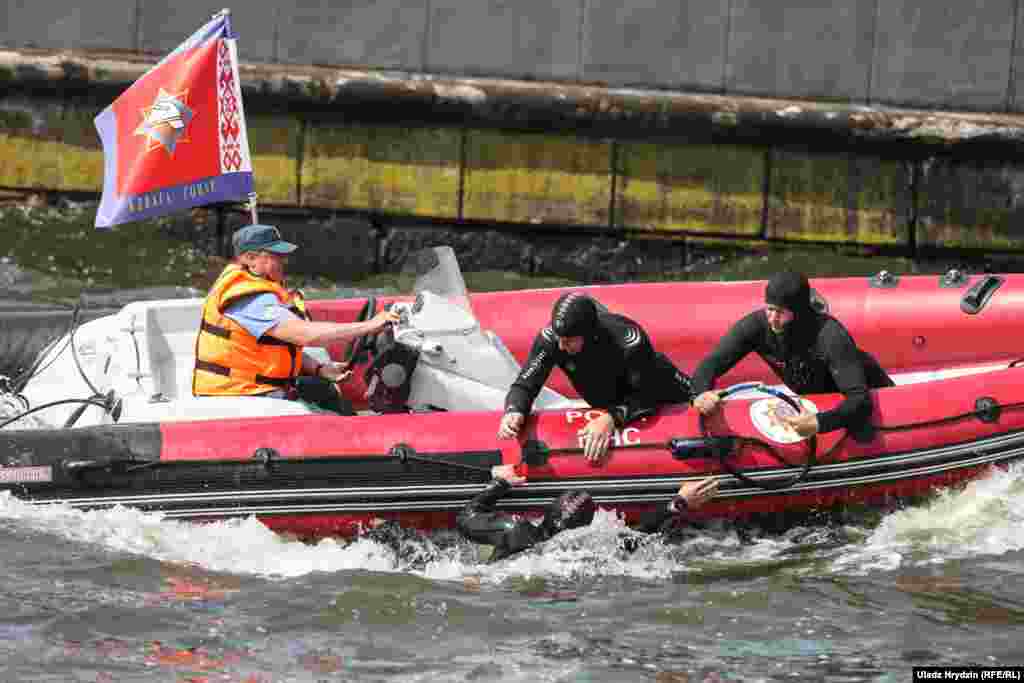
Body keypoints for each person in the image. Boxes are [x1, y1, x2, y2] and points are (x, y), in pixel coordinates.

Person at [192, 223, 399, 407]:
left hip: (259, 387)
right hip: (241, 395)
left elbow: (277, 347)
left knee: (324, 392)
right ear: (250, 258)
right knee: (324, 414)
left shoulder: (261, 287)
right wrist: (369, 326)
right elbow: (305, 335)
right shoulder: (250, 300)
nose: (284, 260)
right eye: (275, 255)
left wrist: (319, 369)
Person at [690, 270, 894, 438]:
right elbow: (713, 361)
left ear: (799, 312)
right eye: (769, 309)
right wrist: (700, 392)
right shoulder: (757, 326)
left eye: (780, 312)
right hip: (817, 399)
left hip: (876, 396)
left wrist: (819, 423)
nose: (772, 319)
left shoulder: (829, 335)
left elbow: (860, 399)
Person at [499, 292, 693, 464]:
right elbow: (525, 384)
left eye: (567, 341)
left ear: (588, 333)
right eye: (559, 338)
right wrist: (515, 409)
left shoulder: (627, 338)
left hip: (663, 390)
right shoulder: (552, 339)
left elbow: (648, 395)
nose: (560, 346)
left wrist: (611, 418)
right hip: (609, 400)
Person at [457, 464, 719, 561]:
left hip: (491, 578)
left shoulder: (515, 530)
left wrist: (501, 483)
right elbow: (635, 538)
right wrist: (679, 502)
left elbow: (467, 515)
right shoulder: (581, 548)